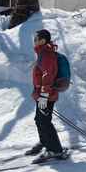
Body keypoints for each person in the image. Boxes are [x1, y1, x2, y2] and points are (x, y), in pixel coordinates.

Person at [25, 29, 66, 163]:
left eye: (36, 39)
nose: (34, 41)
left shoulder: (47, 55)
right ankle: (45, 142)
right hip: (42, 93)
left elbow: (48, 76)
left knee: (44, 121)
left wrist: (43, 95)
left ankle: (55, 149)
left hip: (46, 95)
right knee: (39, 119)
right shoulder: (42, 53)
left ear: (43, 40)